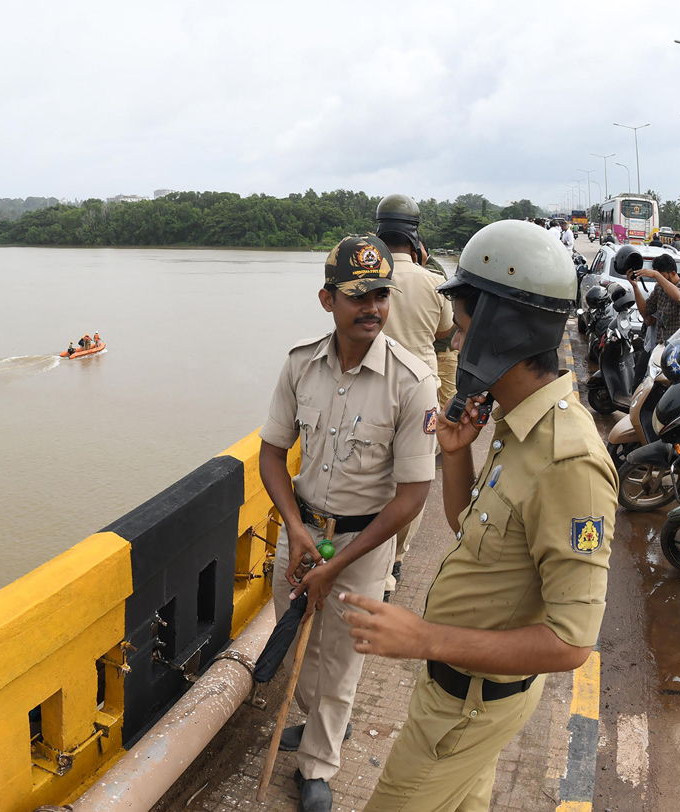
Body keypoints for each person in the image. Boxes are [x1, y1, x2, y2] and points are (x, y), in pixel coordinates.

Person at [339, 220, 618, 812]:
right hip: (463, 693)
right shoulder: (518, 422)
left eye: (464, 331)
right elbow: (472, 526)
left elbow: (571, 643)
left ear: (500, 330)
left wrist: (423, 638)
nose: (458, 348)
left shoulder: (567, 459)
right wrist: (457, 454)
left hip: (468, 706)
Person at [258, 235, 437, 812]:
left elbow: (412, 496)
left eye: (382, 295)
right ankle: (321, 725)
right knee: (302, 646)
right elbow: (271, 454)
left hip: (366, 540)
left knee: (342, 656)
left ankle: (317, 767)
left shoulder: (411, 382)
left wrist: (340, 563)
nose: (374, 308)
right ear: (327, 299)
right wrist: (297, 530)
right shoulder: (299, 366)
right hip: (304, 533)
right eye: (359, 296)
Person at [375, 194, 454, 599]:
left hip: (373, 390)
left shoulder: (369, 278)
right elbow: (445, 333)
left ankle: (373, 559)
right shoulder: (433, 281)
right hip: (421, 390)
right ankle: (396, 561)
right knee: (414, 482)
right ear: (415, 237)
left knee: (375, 479)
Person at [627, 250, 680, 348]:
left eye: (663, 276)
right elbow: (645, 311)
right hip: (658, 346)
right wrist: (635, 287)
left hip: (675, 347)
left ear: (673, 273)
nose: (659, 280)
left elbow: (679, 297)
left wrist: (657, 275)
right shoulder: (659, 288)